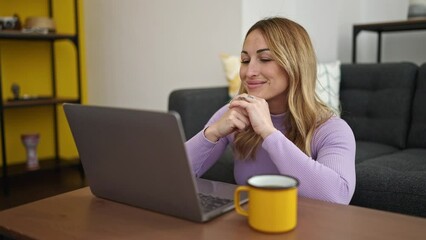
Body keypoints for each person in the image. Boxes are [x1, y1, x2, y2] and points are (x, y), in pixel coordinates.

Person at [185, 17, 356, 205]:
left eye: (265, 59)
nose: (249, 72)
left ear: (295, 65)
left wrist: (269, 133)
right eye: (245, 60)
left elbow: (338, 197)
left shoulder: (331, 129)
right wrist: (212, 133)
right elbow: (170, 177)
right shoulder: (234, 114)